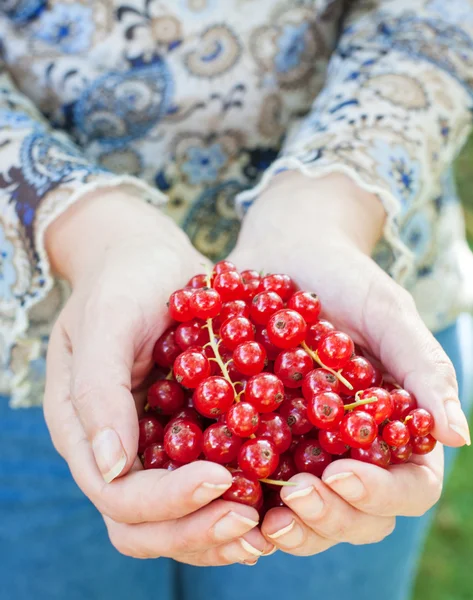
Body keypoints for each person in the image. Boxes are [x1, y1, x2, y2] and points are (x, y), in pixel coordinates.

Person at [1, 1, 473, 599]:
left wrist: (328, 206)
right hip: (24, 349)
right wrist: (85, 227)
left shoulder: (320, 370)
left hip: (356, 291)